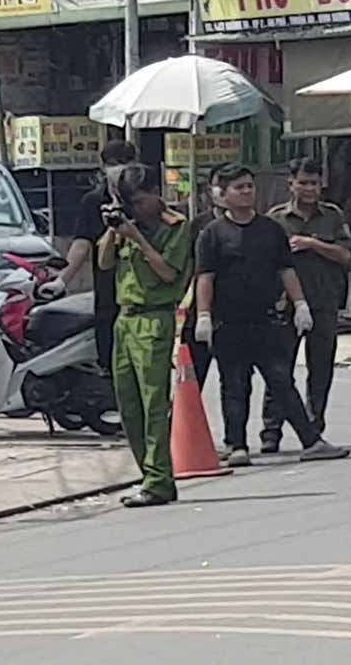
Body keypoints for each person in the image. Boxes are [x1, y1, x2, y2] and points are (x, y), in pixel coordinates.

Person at [193, 163, 350, 467]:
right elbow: (205, 277)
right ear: (222, 195)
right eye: (239, 188)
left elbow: (286, 269)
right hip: (229, 320)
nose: (246, 192)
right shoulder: (212, 234)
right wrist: (203, 315)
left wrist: (300, 304)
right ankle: (237, 444)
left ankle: (311, 440)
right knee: (234, 383)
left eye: (250, 186)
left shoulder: (270, 228)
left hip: (266, 318)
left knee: (281, 380)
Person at [98, 163, 193, 507]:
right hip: (125, 319)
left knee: (154, 404)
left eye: (139, 201)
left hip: (154, 319)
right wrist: (114, 230)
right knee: (128, 404)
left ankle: (158, 480)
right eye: (130, 203)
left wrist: (138, 239)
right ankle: (151, 476)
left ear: (157, 194)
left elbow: (169, 274)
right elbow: (105, 263)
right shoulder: (126, 225)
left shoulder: (175, 228)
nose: (136, 209)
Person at [260, 158, 351, 453]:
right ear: (291, 185)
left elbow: (346, 255)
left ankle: (314, 428)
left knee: (321, 368)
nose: (309, 189)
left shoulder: (333, 216)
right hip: (285, 306)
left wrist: (313, 244)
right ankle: (271, 430)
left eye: (314, 183)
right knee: (279, 369)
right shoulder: (276, 219)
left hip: (324, 302)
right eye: (303, 183)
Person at [62, 140, 139, 370]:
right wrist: (62, 278)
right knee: (109, 355)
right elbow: (82, 243)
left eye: (126, 163)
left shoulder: (144, 199)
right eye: (114, 164)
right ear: (104, 167)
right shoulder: (94, 201)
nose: (120, 169)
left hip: (143, 293)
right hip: (108, 289)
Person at [181, 164, 228, 387]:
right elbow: (187, 267)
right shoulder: (198, 225)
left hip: (234, 315)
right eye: (221, 185)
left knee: (234, 383)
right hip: (199, 312)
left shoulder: (258, 226)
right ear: (211, 190)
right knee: (191, 380)